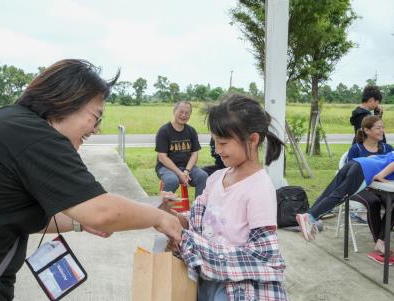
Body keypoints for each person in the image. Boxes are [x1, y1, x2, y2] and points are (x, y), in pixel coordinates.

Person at [0, 59, 182, 301]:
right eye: (95, 116)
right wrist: (158, 218)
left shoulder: (13, 124)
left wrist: (82, 223)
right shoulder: (34, 136)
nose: (95, 129)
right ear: (67, 100)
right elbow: (102, 211)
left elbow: (18, 215)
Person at [161, 94, 287, 300]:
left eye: (224, 143)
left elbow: (261, 254)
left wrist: (189, 241)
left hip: (233, 287)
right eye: (215, 142)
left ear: (252, 140)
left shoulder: (260, 188)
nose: (217, 150)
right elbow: (194, 224)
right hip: (205, 276)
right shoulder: (216, 179)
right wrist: (167, 215)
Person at [297, 152, 394, 243]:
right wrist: (381, 175)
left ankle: (308, 216)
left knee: (329, 193)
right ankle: (309, 218)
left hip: (356, 162)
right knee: (339, 197)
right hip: (364, 171)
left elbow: (372, 157)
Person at [346, 115, 394, 263]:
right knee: (372, 202)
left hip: (383, 188)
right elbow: (350, 173)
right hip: (360, 188)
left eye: (382, 127)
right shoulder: (356, 149)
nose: (382, 131)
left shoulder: (388, 148)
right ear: (367, 130)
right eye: (378, 128)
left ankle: (381, 241)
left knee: (393, 203)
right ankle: (380, 243)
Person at [155, 101, 208, 198]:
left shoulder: (191, 131)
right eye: (181, 112)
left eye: (187, 113)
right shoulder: (164, 131)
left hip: (186, 167)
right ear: (174, 111)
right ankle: (161, 209)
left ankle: (198, 210)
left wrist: (186, 171)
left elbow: (194, 154)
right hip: (166, 168)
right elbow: (162, 157)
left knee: (203, 176)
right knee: (172, 180)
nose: (184, 115)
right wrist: (180, 173)